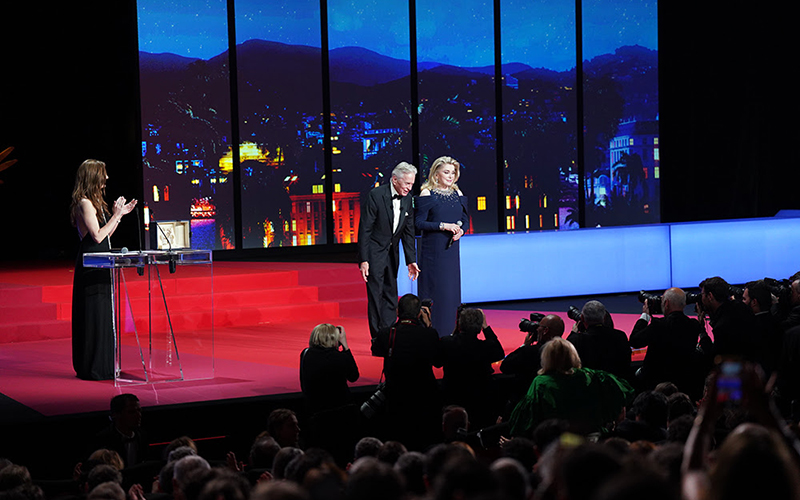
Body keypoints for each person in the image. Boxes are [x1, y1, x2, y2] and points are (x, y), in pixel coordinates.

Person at [70, 159, 137, 380]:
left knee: (103, 313)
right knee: (94, 313)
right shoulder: (85, 203)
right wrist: (116, 215)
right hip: (90, 263)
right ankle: (93, 367)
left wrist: (120, 215)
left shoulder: (95, 203)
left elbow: (105, 236)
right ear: (93, 176)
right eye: (103, 174)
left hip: (100, 261)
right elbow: (97, 236)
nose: (107, 178)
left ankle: (105, 364)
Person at [508, 337, 634, 437]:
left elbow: (524, 420)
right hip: (595, 436)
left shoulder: (541, 383)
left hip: (559, 441)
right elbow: (624, 393)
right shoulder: (592, 375)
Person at [371, 294, 443, 450]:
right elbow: (438, 362)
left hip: (395, 396)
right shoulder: (429, 334)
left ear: (398, 312)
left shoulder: (387, 333)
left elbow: (375, 350)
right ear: (419, 314)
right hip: (423, 397)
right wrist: (428, 325)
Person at [357, 162, 421, 338]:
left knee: (391, 293)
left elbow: (408, 232)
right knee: (376, 294)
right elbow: (365, 229)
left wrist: (411, 260)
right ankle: (377, 337)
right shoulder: (376, 195)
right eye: (407, 183)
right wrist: (364, 259)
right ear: (394, 180)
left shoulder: (408, 199)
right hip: (374, 252)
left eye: (412, 184)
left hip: (392, 254)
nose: (409, 187)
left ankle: (390, 333)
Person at [414, 156, 469, 337]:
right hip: (433, 253)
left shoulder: (458, 194)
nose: (451, 176)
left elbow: (465, 221)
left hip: (451, 253)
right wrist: (443, 226)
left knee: (451, 295)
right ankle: (431, 336)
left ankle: (451, 335)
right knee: (435, 294)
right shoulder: (427, 193)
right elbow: (419, 222)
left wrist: (461, 230)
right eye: (446, 172)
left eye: (453, 172)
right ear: (436, 174)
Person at [299, 323, 360, 465]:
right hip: (340, 415)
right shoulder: (339, 357)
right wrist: (345, 346)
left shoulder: (305, 354)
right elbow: (354, 376)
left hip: (315, 414)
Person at [629, 288, 705, 395]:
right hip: (684, 382)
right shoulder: (694, 325)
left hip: (655, 385)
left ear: (666, 303)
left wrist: (645, 316)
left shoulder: (658, 326)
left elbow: (635, 341)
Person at [440, 307, 506, 429]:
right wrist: (486, 327)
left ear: (459, 325)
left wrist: (456, 329)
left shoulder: (447, 342)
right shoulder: (485, 347)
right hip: (480, 400)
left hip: (452, 397)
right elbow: (499, 352)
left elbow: (438, 362)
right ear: (480, 327)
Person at [566, 300, 632, 380]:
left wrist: (573, 334)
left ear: (582, 318)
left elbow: (566, 361)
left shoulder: (576, 340)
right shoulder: (620, 336)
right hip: (617, 384)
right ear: (604, 317)